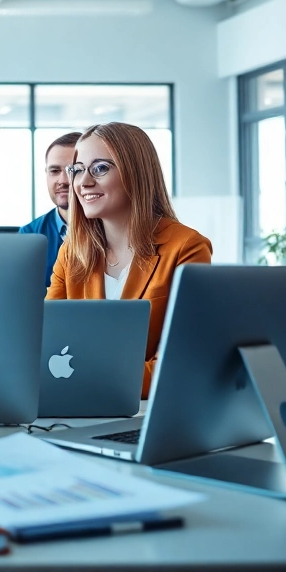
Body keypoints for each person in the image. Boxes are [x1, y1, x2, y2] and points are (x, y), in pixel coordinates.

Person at [46, 122, 211, 399]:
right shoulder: (72, 251)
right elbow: (46, 341)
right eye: (78, 170)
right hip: (74, 404)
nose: (83, 182)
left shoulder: (186, 247)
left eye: (100, 168)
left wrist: (92, 377)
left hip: (144, 410)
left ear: (135, 172)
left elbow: (179, 365)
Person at [20, 131, 82, 292]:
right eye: (54, 171)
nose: (63, 181)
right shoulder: (30, 234)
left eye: (72, 171)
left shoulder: (112, 231)